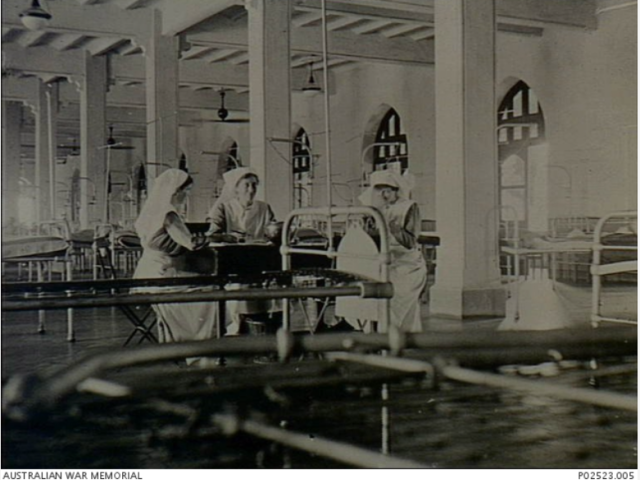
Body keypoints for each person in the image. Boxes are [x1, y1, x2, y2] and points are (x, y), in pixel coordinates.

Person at [133, 168, 218, 351]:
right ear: (175, 191)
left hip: (147, 273)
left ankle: (175, 340)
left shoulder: (152, 212)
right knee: (212, 291)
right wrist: (218, 239)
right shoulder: (169, 214)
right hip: (163, 275)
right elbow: (191, 244)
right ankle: (196, 345)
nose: (186, 197)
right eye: (186, 192)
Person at [206, 167, 281, 335]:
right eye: (246, 185)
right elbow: (212, 235)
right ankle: (236, 328)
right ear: (236, 188)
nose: (251, 190)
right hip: (234, 260)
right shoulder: (223, 208)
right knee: (238, 293)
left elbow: (272, 230)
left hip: (259, 257)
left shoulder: (264, 208)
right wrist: (229, 237)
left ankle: (261, 327)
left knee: (267, 291)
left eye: (254, 185)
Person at [359, 170, 427, 332]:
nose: (384, 195)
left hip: (408, 265)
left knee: (395, 300)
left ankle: (398, 336)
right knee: (373, 295)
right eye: (380, 191)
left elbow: (410, 242)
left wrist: (395, 228)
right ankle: (378, 334)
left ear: (396, 190)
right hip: (387, 261)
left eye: (387, 191)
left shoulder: (409, 207)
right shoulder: (377, 208)